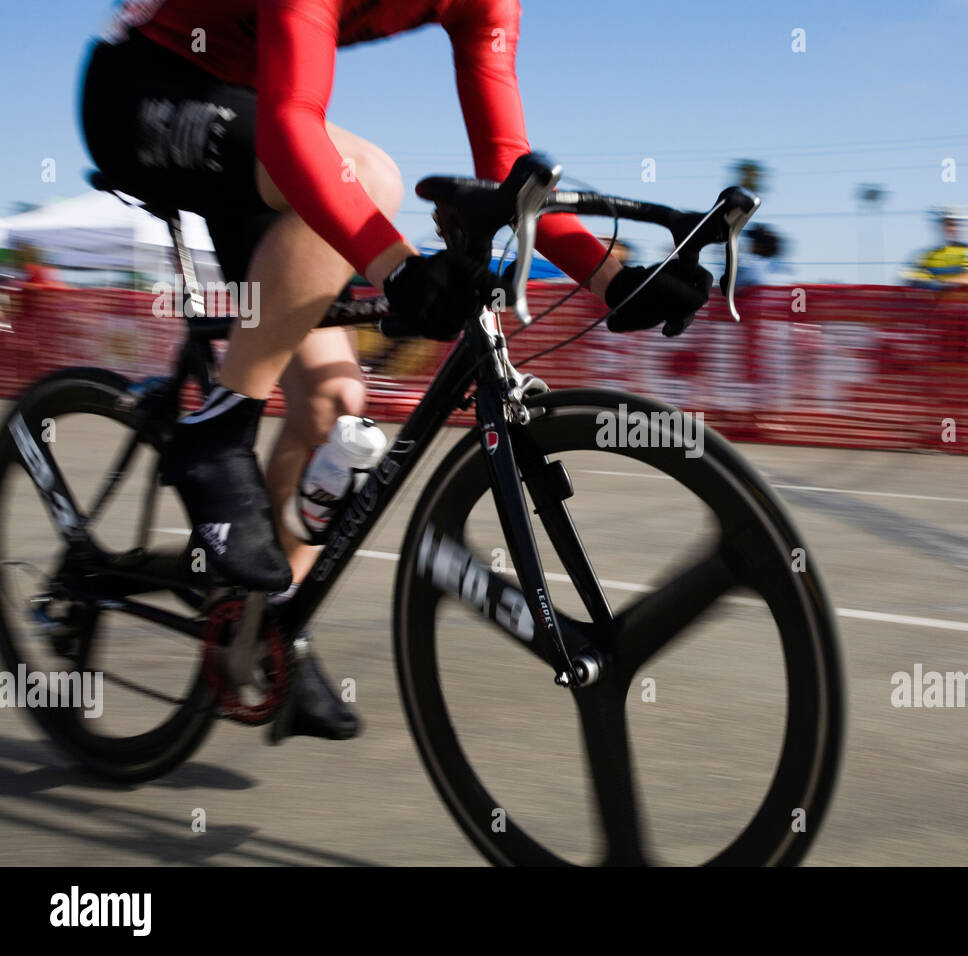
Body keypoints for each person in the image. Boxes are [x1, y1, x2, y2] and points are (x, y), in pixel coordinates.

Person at [79, 0, 713, 740]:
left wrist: (613, 278)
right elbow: (293, 131)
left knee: (334, 403)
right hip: (140, 90)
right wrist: (397, 268)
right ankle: (215, 430)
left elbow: (512, 168)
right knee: (367, 172)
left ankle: (263, 628)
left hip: (242, 111)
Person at [901, 204, 968, 287]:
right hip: (932, 304)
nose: (951, 228)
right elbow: (909, 277)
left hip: (966, 304)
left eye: (955, 224)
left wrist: (943, 282)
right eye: (947, 224)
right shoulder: (924, 255)